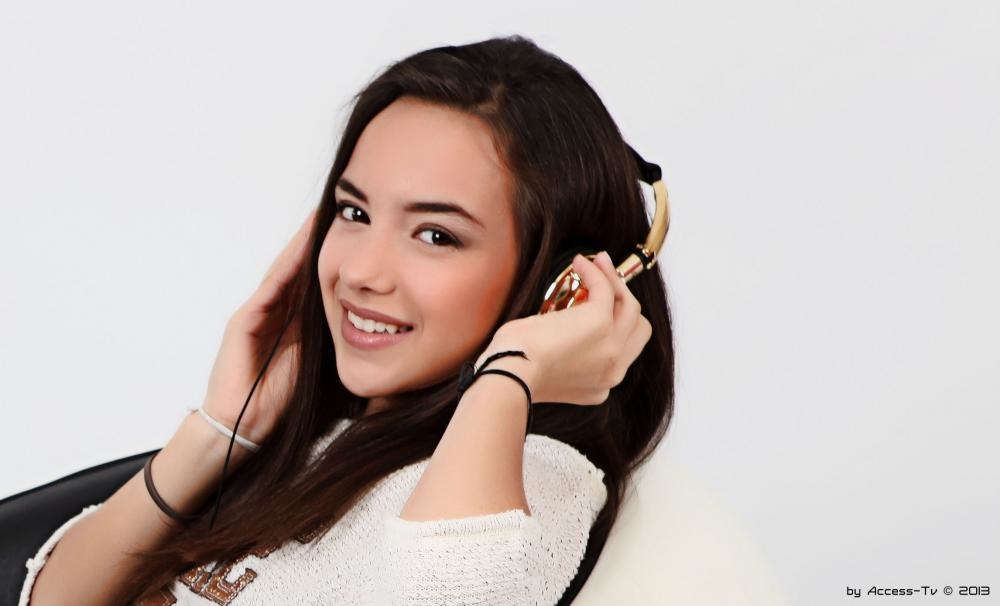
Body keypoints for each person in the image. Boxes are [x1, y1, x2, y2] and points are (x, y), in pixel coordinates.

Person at [21, 34, 675, 605]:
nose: (361, 271)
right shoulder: (315, 445)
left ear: (562, 283)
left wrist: (510, 376)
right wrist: (220, 432)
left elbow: (451, 592)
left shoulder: (534, 477)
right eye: (354, 213)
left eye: (436, 235)